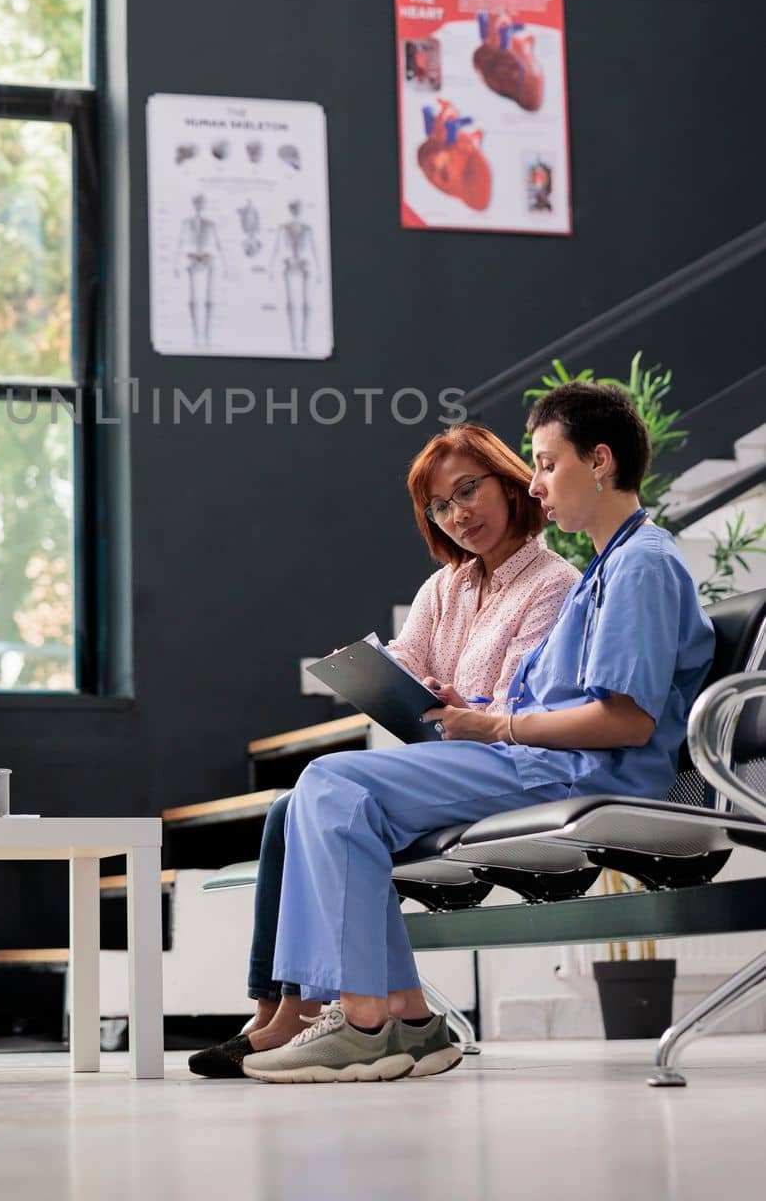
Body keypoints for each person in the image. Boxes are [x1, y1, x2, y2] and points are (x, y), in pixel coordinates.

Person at [242, 382, 715, 1084]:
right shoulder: (607, 567)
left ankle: (369, 1019)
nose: (537, 481)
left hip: (579, 771)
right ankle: (394, 1013)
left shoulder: (639, 565)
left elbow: (627, 719)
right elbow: (567, 696)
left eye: (548, 464)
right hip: (543, 760)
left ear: (601, 462)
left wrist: (495, 722)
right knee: (334, 797)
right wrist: (482, 708)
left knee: (332, 783)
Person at [189, 424, 579, 1078]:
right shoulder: (445, 588)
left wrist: (467, 706)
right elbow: (407, 657)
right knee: (293, 808)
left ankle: (361, 1016)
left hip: (508, 758)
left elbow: (526, 710)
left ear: (511, 483)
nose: (458, 514)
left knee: (329, 787)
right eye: (441, 506)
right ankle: (301, 1011)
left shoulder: (552, 583)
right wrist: (396, 678)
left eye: (468, 491)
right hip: (448, 759)